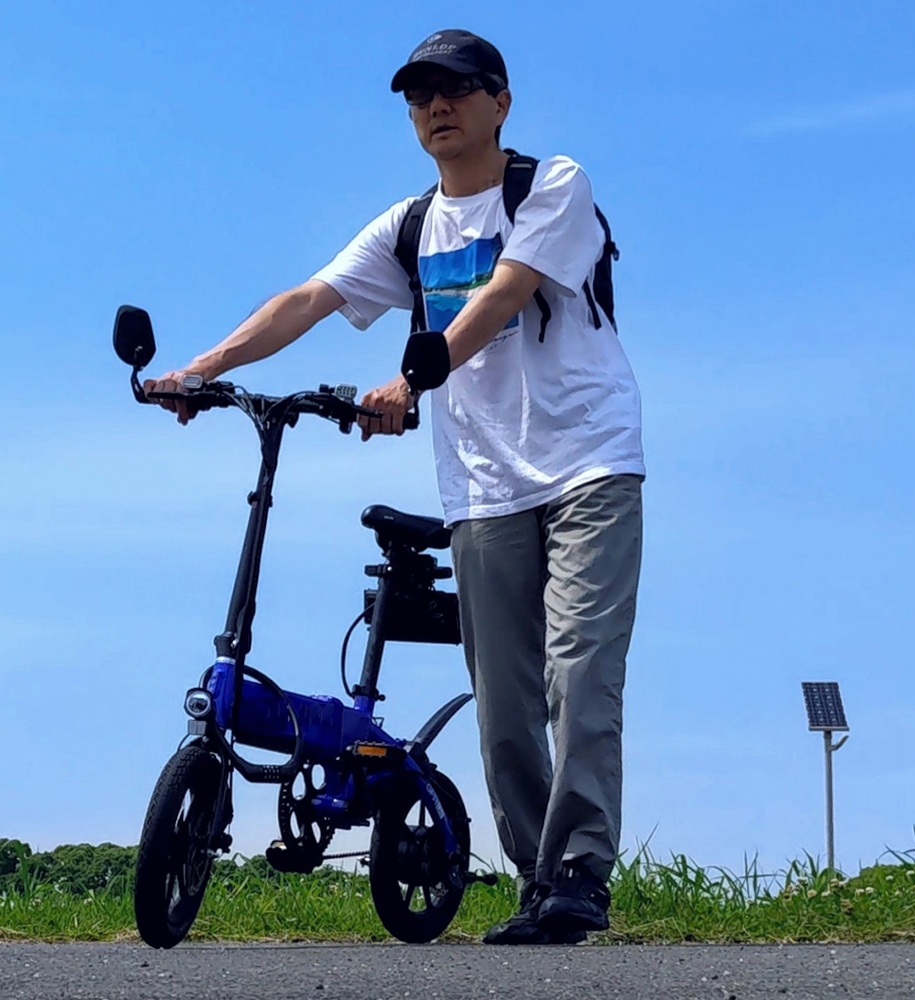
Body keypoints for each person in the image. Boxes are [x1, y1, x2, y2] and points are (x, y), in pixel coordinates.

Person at [142, 28, 645, 945]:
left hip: (587, 465)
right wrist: (202, 369)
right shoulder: (409, 226)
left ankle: (579, 874)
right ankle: (540, 882)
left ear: (499, 100)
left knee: (577, 670)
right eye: (418, 96)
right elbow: (310, 298)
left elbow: (502, 294)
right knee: (502, 697)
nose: (435, 107)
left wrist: (412, 380)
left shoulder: (552, 186)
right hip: (483, 485)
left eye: (454, 89)